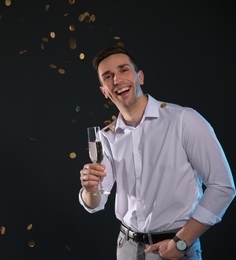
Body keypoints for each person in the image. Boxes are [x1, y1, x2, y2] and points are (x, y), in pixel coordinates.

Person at [78, 45, 235, 260]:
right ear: (104, 91)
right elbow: (96, 203)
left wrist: (181, 242)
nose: (117, 80)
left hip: (176, 247)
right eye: (108, 76)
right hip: (126, 248)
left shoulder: (184, 120)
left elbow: (223, 187)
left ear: (139, 77)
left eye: (124, 70)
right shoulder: (107, 136)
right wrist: (89, 189)